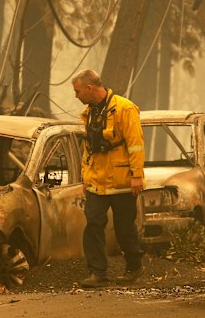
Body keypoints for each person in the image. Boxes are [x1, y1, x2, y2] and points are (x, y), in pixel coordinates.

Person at [72, 69, 145, 288]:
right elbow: (89, 148)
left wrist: (137, 176)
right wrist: (85, 178)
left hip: (122, 181)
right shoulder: (90, 113)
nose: (76, 97)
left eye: (77, 92)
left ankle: (134, 267)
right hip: (97, 182)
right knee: (93, 224)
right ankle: (98, 273)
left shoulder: (125, 108)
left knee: (124, 227)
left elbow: (136, 144)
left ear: (89, 88)